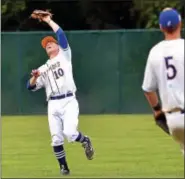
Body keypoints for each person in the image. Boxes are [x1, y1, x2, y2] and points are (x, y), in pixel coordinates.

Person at [27, 11, 94, 175]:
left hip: (69, 101)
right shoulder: (42, 68)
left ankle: (85, 140)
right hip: (53, 104)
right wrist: (35, 78)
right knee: (56, 138)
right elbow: (29, 87)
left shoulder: (65, 56)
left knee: (70, 133)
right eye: (46, 44)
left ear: (58, 46)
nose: (48, 44)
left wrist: (49, 21)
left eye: (51, 42)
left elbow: (61, 34)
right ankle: (64, 168)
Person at [142, 8, 184, 156]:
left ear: (161, 27)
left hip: (173, 121)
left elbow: (148, 89)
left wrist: (157, 110)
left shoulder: (155, 52)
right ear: (180, 24)